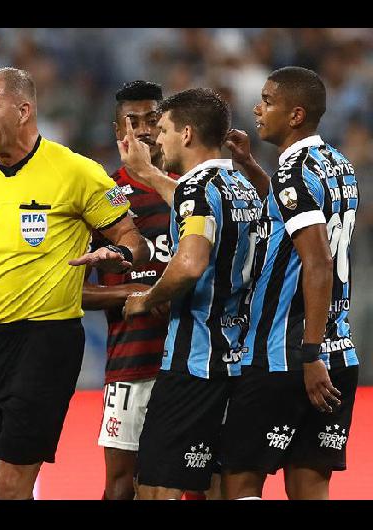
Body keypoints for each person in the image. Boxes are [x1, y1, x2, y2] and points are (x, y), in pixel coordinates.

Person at [0, 67, 149, 500]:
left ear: (23, 110)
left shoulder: (78, 172)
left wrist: (122, 256)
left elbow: (132, 237)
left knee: (14, 484)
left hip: (49, 339)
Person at [114, 88, 262, 500]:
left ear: (187, 134)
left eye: (162, 130)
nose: (156, 140)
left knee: (156, 488)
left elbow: (191, 262)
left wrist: (147, 297)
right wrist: (148, 176)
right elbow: (191, 202)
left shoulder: (198, 190)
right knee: (217, 485)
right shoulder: (239, 185)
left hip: (194, 363)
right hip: (238, 361)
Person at [219, 66, 359, 500]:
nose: (257, 109)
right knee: (310, 486)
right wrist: (250, 166)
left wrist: (309, 353)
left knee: (239, 481)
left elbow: (317, 262)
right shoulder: (339, 165)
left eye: (268, 100)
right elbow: (286, 216)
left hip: (287, 355)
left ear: (295, 115)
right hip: (340, 353)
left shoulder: (292, 173)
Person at [82, 80, 174, 500]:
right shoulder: (103, 197)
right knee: (121, 486)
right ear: (117, 131)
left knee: (196, 481)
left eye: (152, 119)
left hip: (193, 361)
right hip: (131, 363)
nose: (143, 130)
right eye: (132, 122)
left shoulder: (188, 189)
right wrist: (130, 293)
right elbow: (72, 290)